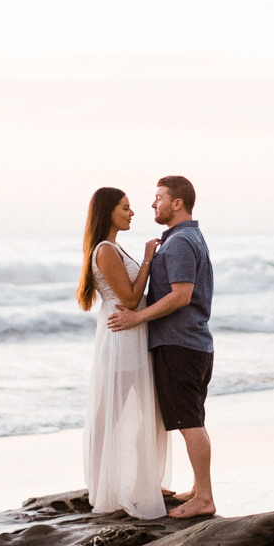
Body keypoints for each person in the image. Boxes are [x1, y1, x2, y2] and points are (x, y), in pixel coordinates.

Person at [108, 175, 216, 518]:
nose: (153, 204)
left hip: (180, 343)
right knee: (192, 418)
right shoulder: (182, 238)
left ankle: (205, 498)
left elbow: (181, 296)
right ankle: (199, 490)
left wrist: (137, 319)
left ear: (177, 203)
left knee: (189, 421)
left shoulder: (181, 241)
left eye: (158, 198)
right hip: (190, 342)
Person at [76, 187, 170, 518]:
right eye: (125, 208)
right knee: (113, 415)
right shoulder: (104, 250)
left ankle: (139, 481)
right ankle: (105, 488)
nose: (132, 213)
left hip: (131, 337)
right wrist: (147, 258)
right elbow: (130, 299)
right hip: (121, 341)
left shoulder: (114, 247)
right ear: (108, 212)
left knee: (140, 412)